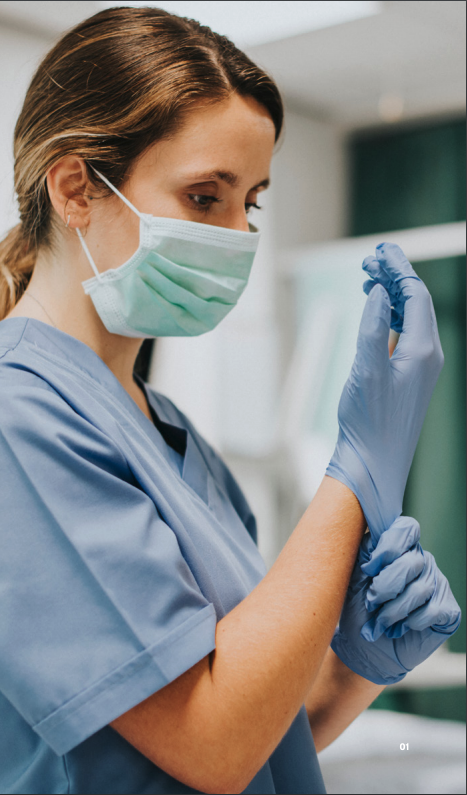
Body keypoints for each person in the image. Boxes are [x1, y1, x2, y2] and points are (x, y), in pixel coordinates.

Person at [0, 7, 461, 795]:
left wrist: (352, 666)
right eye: (204, 196)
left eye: (249, 202)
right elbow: (209, 744)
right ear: (77, 187)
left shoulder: (177, 440)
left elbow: (259, 736)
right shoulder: (20, 420)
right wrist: (355, 467)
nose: (236, 234)